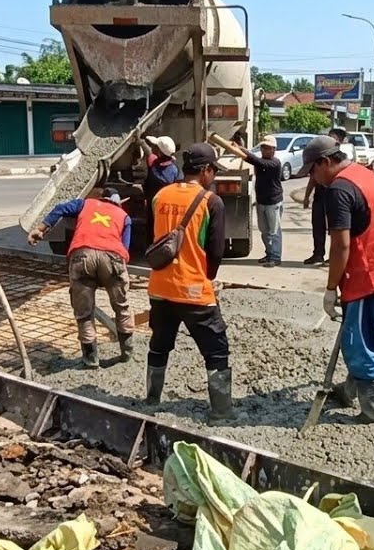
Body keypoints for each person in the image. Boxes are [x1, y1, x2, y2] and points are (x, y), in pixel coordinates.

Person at [299, 135, 374, 423]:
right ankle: (350, 390)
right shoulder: (363, 172)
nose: (313, 178)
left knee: (358, 344)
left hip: (370, 277)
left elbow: (341, 245)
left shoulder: (338, 189)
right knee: (363, 338)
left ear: (325, 162)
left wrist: (330, 288)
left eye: (312, 170)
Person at [145, 143, 234, 423]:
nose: (214, 176)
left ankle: (151, 398)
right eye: (214, 171)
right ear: (206, 170)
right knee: (216, 350)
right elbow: (216, 250)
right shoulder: (211, 201)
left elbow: (155, 237)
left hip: (160, 288)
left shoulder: (160, 196)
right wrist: (207, 277)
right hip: (194, 290)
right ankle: (221, 412)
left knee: (159, 345)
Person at [28, 188, 135, 367]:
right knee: (122, 307)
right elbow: (125, 248)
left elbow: (60, 208)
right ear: (118, 202)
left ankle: (91, 360)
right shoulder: (124, 216)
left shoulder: (86, 203)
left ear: (102, 198)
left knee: (84, 314)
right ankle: (127, 354)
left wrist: (41, 229)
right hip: (112, 258)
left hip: (82, 255)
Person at [227, 134, 284, 266]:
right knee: (264, 231)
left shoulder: (274, 163)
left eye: (269, 148)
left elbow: (256, 161)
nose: (265, 150)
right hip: (262, 202)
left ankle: (275, 257)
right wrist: (240, 148)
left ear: (274, 150)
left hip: (273, 202)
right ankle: (269, 254)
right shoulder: (261, 160)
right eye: (263, 147)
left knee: (274, 231)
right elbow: (255, 159)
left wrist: (241, 150)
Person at [301, 128, 351, 266]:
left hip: (334, 197)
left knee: (335, 227)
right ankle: (318, 254)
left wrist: (332, 285)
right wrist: (307, 196)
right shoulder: (320, 162)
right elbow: (312, 179)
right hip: (320, 196)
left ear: (339, 142)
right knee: (318, 225)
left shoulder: (342, 161)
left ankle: (334, 256)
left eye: (333, 139)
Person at [142, 136, 182, 212]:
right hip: (167, 209)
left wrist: (141, 141)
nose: (153, 148)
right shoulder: (175, 170)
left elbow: (149, 153)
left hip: (155, 208)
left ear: (159, 153)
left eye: (155, 147)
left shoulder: (153, 164)